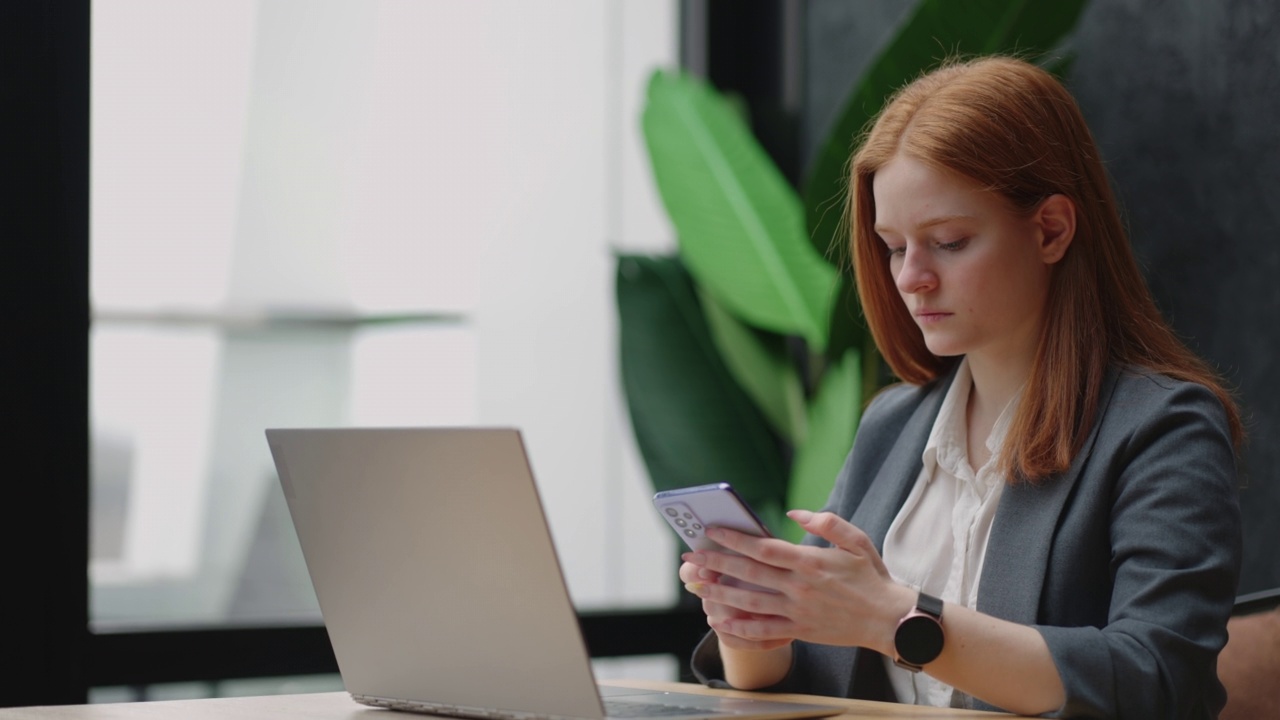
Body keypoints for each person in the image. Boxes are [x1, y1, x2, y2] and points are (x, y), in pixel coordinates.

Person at [678, 55, 1243, 719]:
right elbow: (819, 670)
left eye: (947, 241)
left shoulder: (1161, 428)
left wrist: (898, 617)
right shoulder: (892, 424)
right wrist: (755, 630)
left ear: (1052, 229)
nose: (912, 277)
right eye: (893, 246)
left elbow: (1158, 682)